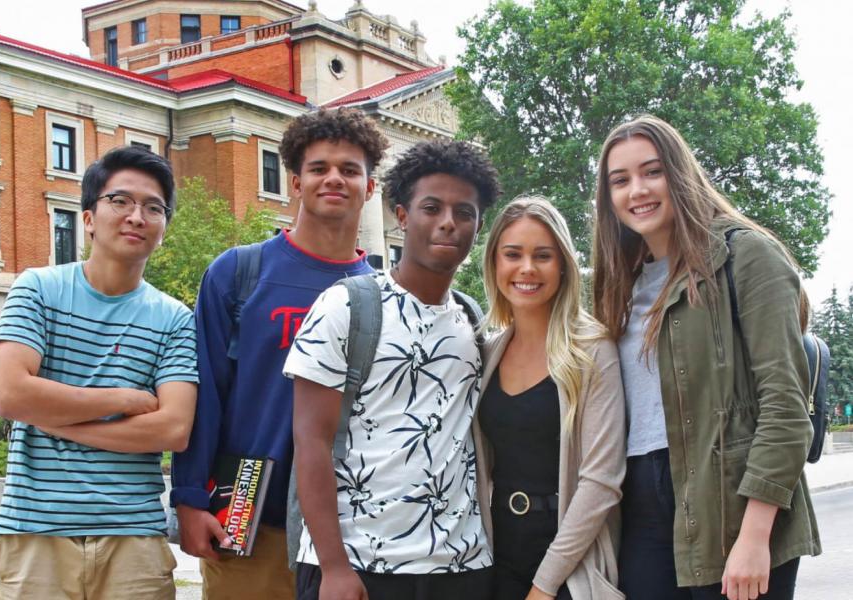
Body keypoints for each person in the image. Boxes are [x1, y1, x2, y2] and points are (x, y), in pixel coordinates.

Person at [591, 115, 821, 600]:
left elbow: (784, 407)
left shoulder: (747, 256)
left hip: (732, 504)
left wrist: (755, 536)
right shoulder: (620, 289)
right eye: (620, 180)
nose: (637, 190)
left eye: (652, 172)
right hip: (644, 511)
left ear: (679, 173)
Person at [170, 107, 388, 599]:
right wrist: (187, 499)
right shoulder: (239, 273)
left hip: (351, 531)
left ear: (370, 188)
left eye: (350, 170)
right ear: (295, 182)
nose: (334, 178)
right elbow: (204, 390)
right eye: (319, 168)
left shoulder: (382, 295)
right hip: (247, 518)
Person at [285, 139, 500, 600]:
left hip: (461, 565)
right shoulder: (346, 304)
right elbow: (310, 440)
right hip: (358, 565)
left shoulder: (474, 321)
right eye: (432, 207)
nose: (448, 222)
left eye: (464, 212)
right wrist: (334, 567)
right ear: (401, 216)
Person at [0, 145, 198, 599]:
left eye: (153, 208)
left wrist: (53, 419)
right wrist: (122, 400)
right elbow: (10, 395)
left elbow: (173, 428)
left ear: (163, 229)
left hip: (133, 538)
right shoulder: (38, 288)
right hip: (35, 531)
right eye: (120, 201)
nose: (136, 216)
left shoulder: (176, 318)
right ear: (88, 218)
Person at [474, 196, 626, 600]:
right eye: (512, 254)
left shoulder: (592, 350)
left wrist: (544, 585)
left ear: (562, 266)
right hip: (499, 555)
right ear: (494, 264)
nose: (527, 268)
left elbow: (602, 481)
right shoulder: (486, 353)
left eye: (542, 255)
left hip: (570, 564)